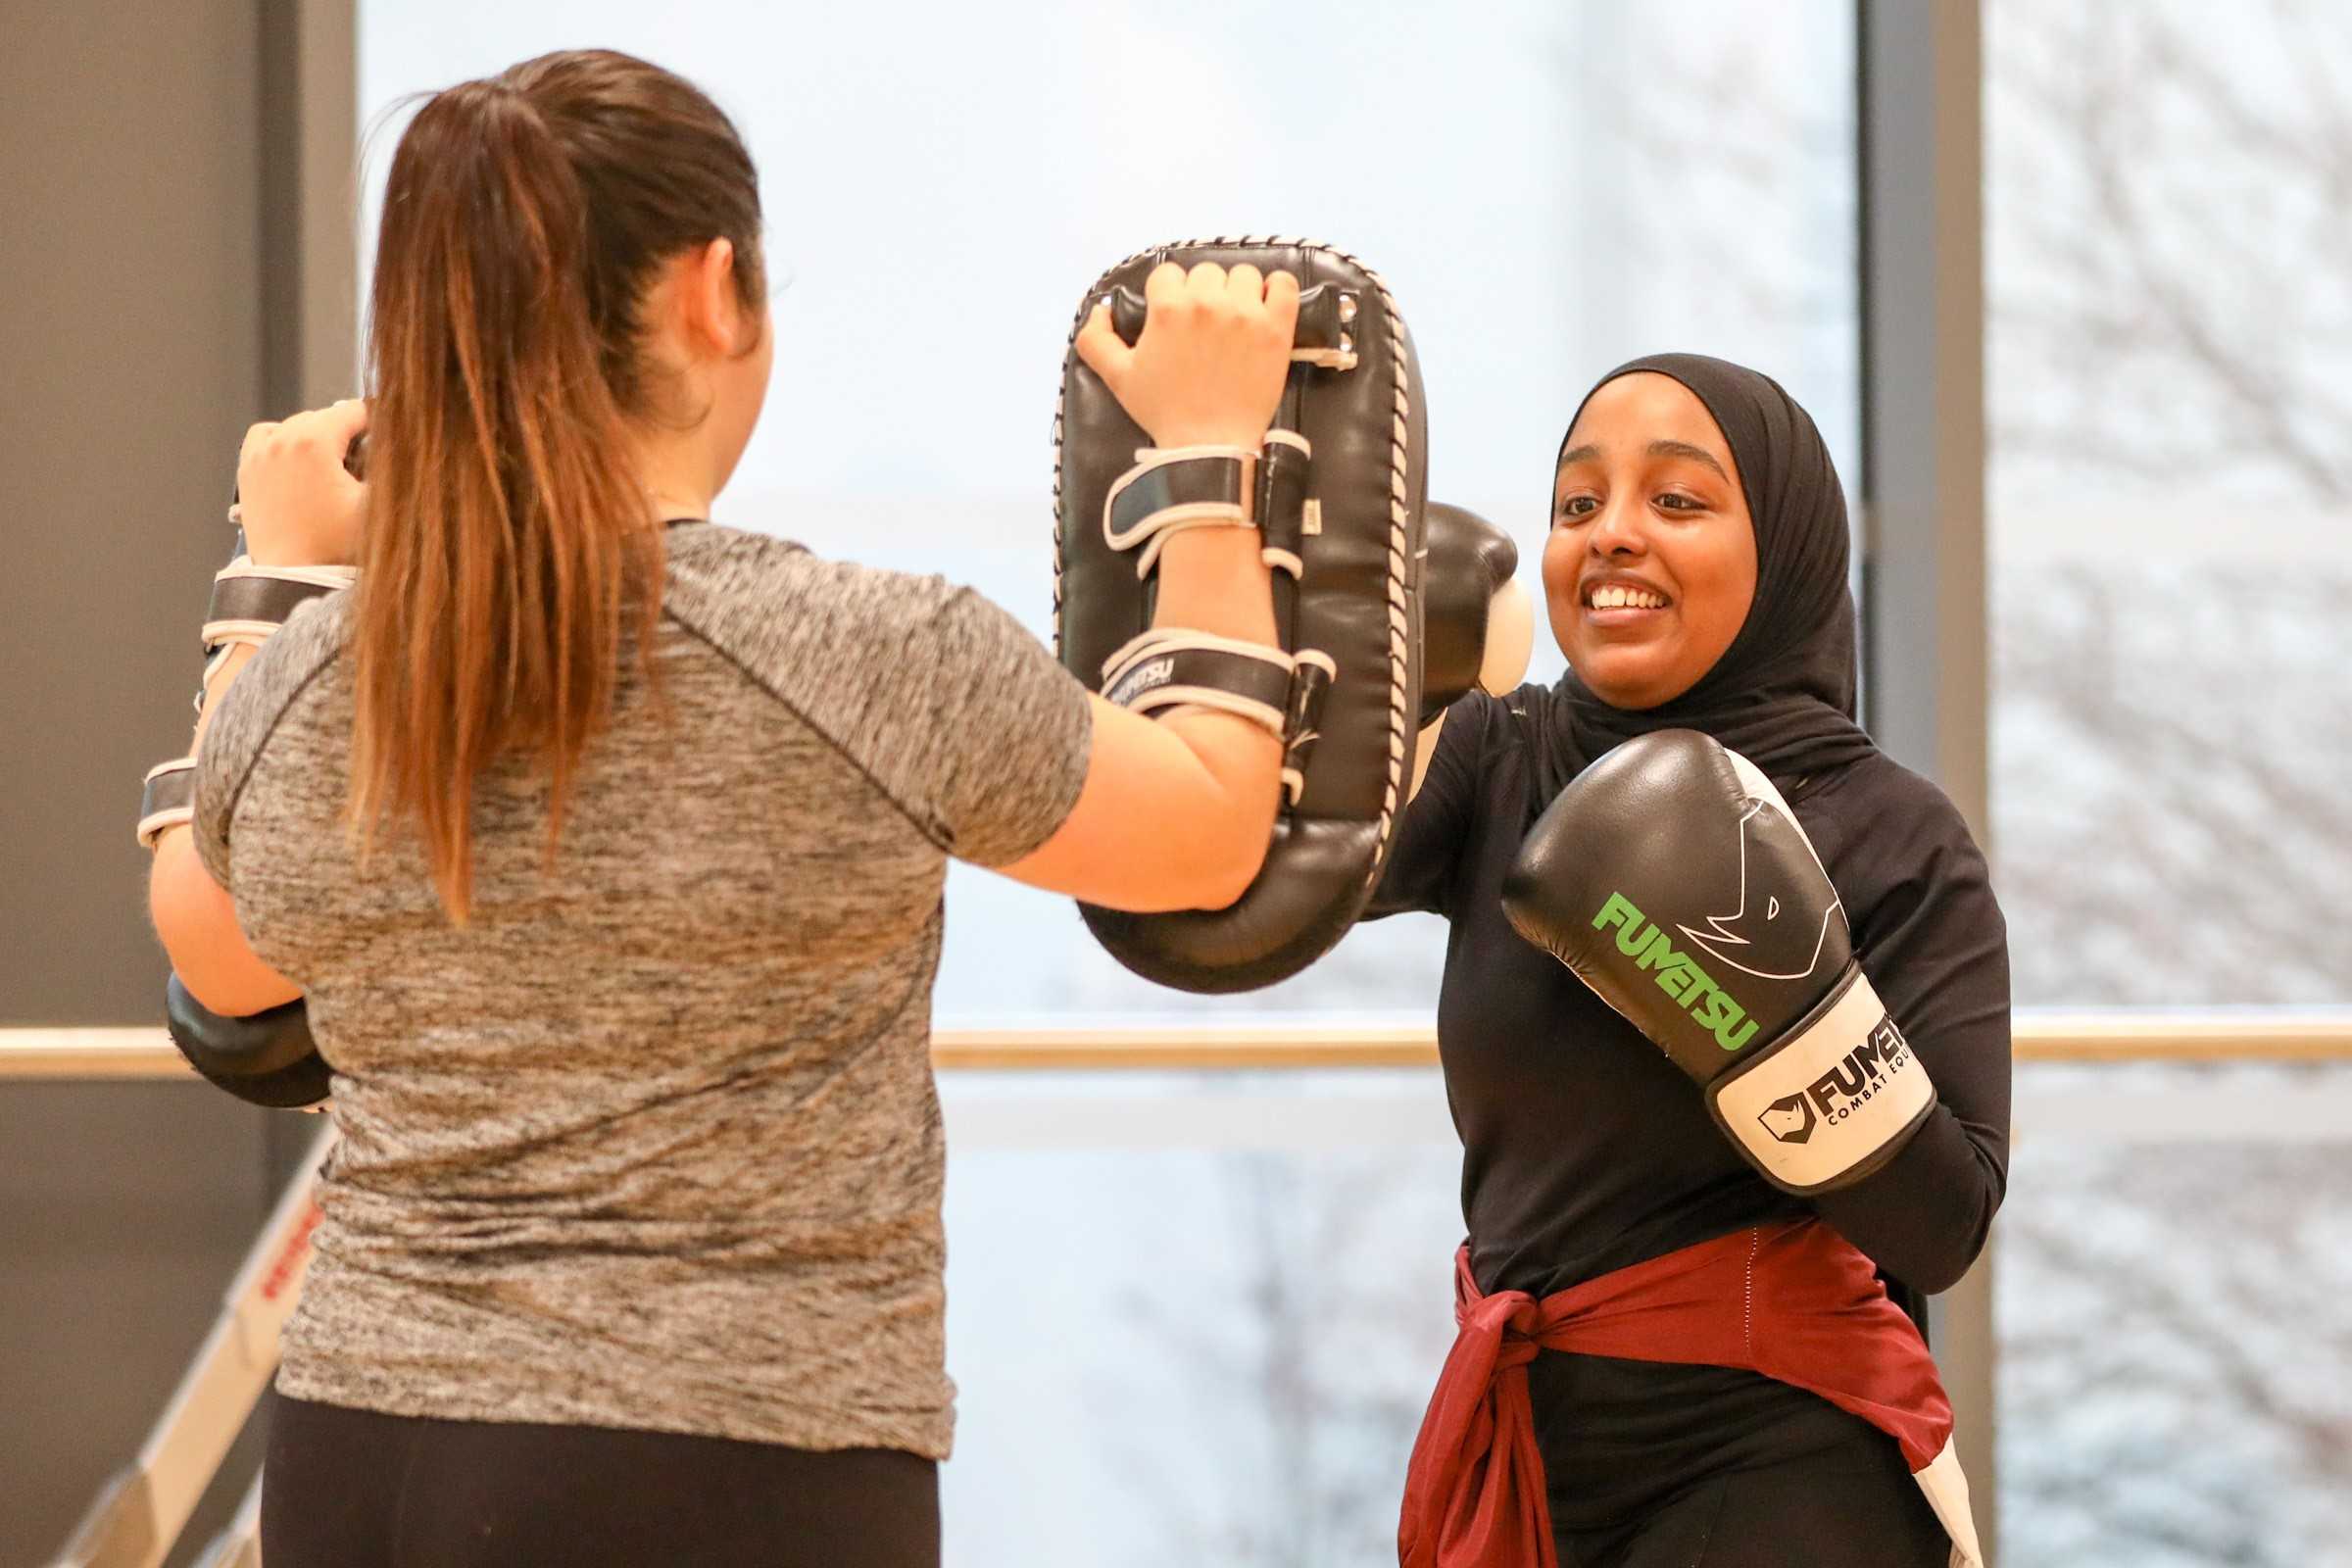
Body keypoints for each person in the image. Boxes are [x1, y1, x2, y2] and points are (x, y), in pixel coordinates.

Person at [142, 48, 1301, 1568]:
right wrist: (1208, 462)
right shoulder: (870, 654)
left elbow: (216, 953)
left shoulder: (316, 675)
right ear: (713, 292)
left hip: (359, 1456)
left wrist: (275, 583)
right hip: (721, 1464)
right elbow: (1211, 825)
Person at [1374, 354, 2011, 1567]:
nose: (1612, 533)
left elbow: (1943, 1227)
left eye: (1675, 499)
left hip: (1783, 1460)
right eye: (1578, 502)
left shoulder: (1892, 831)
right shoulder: (1500, 759)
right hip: (1536, 1459)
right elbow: (1236, 893)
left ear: (1784, 550)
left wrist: (1774, 1006)